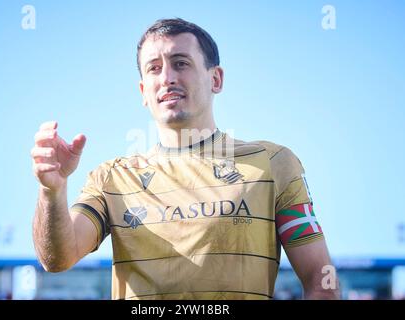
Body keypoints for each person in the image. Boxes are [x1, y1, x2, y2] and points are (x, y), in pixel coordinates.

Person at [31, 18, 340, 300]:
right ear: (143, 91)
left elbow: (320, 281)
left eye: (180, 63)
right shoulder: (111, 178)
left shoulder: (273, 163)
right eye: (153, 68)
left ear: (216, 79)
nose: (167, 78)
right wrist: (52, 191)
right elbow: (57, 258)